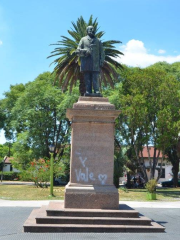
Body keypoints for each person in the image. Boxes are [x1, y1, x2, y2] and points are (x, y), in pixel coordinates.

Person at [76, 26, 105, 95]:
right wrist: (84, 51)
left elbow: (102, 52)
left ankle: (96, 90)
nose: (92, 30)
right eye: (90, 29)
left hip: (95, 63)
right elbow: (78, 50)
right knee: (87, 78)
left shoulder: (98, 40)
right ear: (87, 31)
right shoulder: (83, 39)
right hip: (86, 62)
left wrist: (101, 61)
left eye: (93, 29)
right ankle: (88, 91)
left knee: (95, 78)